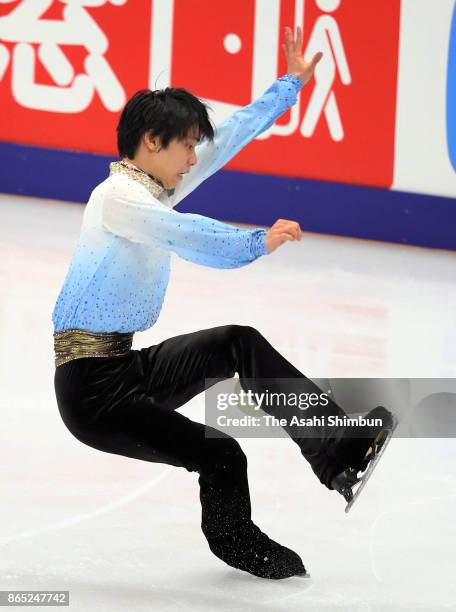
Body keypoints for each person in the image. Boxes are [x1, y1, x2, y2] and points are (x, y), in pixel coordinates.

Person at [53, 26, 393, 580]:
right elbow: (188, 235)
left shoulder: (151, 186)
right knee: (222, 454)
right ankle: (233, 540)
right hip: (93, 395)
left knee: (238, 342)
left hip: (123, 367)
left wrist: (289, 86)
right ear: (152, 142)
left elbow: (226, 136)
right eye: (184, 144)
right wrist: (255, 240)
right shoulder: (118, 200)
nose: (192, 157)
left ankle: (338, 450)